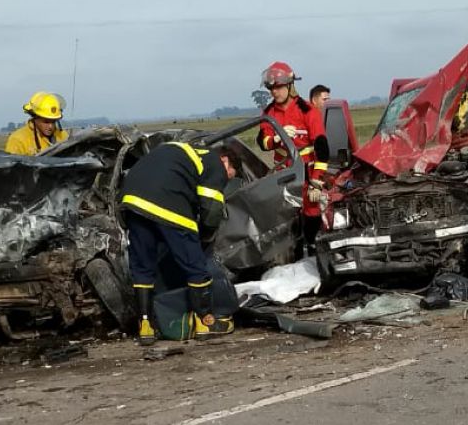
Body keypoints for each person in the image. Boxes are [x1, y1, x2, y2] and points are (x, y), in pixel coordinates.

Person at [119, 139, 243, 344]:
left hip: (133, 200)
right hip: (167, 199)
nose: (227, 181)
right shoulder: (214, 161)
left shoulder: (182, 153)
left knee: (143, 265)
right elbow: (211, 210)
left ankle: (146, 326)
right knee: (194, 263)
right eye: (231, 176)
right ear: (225, 160)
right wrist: (204, 238)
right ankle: (206, 320)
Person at [256, 62, 330, 258]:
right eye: (272, 88)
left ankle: (313, 250)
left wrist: (316, 181)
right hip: (283, 173)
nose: (275, 92)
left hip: (306, 172)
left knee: (311, 213)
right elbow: (262, 142)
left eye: (279, 87)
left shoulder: (307, 111)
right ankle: (293, 254)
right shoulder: (268, 113)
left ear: (290, 85)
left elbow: (322, 148)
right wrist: (277, 139)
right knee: (287, 217)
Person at [4, 91, 69, 155]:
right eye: (46, 122)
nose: (50, 126)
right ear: (35, 117)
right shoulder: (18, 140)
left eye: (53, 121)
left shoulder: (63, 136)